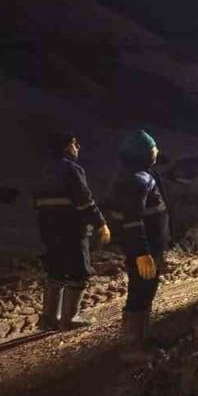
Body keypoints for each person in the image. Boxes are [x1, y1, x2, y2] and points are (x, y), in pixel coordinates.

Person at [33, 131, 111, 330]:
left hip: (49, 231)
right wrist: (101, 223)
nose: (77, 147)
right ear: (67, 147)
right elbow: (85, 201)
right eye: (75, 144)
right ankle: (69, 318)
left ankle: (49, 318)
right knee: (79, 272)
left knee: (56, 270)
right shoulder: (72, 170)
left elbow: (37, 203)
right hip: (72, 230)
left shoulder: (43, 171)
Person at [108, 130, 170, 362]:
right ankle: (131, 347)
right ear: (143, 154)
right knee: (140, 291)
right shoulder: (136, 181)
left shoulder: (140, 176)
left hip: (149, 246)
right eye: (153, 149)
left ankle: (142, 339)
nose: (157, 152)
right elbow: (132, 222)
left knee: (147, 289)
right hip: (144, 248)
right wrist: (141, 253)